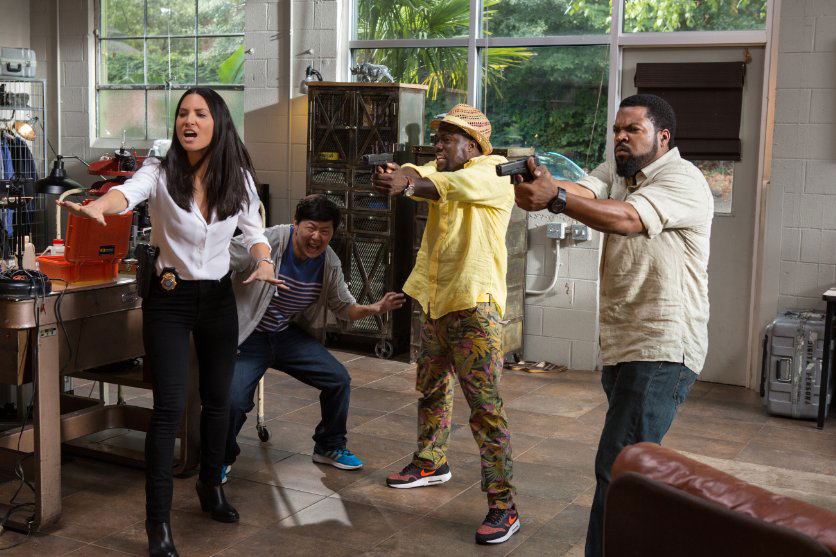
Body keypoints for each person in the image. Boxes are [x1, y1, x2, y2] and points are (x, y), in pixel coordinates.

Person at [59, 88, 277, 557]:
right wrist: (99, 206)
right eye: (182, 114)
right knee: (169, 409)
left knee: (217, 402)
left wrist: (264, 260)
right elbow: (125, 194)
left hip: (217, 299)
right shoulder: (160, 170)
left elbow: (254, 232)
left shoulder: (236, 175)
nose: (188, 121)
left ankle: (210, 486)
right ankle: (157, 522)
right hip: (169, 298)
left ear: (218, 123)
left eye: (200, 114)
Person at [513, 93, 713, 557]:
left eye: (633, 130)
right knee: (635, 468)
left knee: (619, 468)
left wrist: (554, 199)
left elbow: (627, 219)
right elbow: (587, 190)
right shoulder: (621, 172)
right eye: (617, 130)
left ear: (662, 136)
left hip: (662, 344)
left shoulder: (682, 178)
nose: (621, 138)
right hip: (625, 343)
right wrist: (546, 183)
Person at [371, 104, 520, 545]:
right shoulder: (438, 171)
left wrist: (407, 183)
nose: (437, 146)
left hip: (475, 308)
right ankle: (431, 461)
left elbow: (452, 185)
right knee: (432, 388)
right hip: (437, 302)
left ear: (472, 146)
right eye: (436, 139)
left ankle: (504, 505)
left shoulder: (494, 173)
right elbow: (423, 173)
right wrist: (403, 174)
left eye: (447, 139)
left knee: (486, 410)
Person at [224, 194, 405, 477]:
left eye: (325, 231)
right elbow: (221, 257)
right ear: (296, 224)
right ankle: (220, 458)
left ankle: (329, 446)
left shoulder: (328, 262)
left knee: (338, 379)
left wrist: (374, 308)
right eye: (311, 227)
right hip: (249, 336)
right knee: (235, 400)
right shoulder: (268, 242)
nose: (316, 237)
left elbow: (343, 306)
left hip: (285, 335)